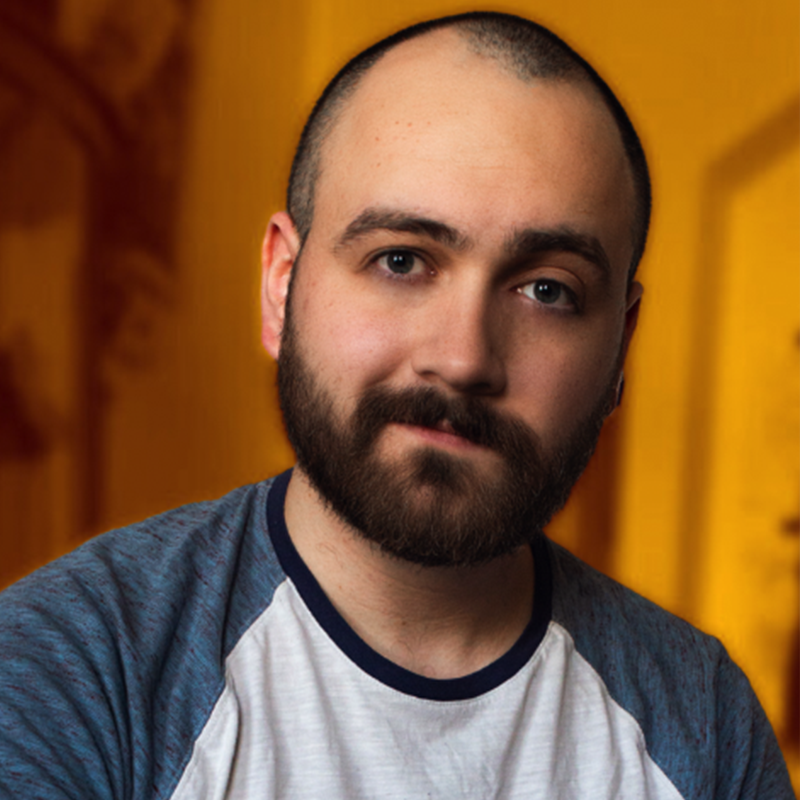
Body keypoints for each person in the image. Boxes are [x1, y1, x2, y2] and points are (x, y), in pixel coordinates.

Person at [0, 11, 793, 799]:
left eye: (548, 290)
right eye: (401, 260)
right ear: (282, 287)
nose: (462, 358)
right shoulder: (71, 670)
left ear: (621, 345)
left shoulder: (704, 725)